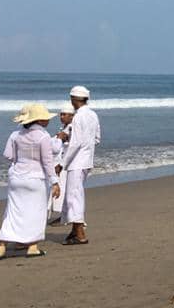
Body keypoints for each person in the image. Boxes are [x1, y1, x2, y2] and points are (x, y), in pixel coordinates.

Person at [0, 104, 60, 260]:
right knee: (35, 212)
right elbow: (47, 162)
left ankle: (2, 247)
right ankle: (32, 246)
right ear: (38, 120)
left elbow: (9, 156)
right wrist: (55, 182)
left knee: (13, 212)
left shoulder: (15, 135)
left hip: (16, 177)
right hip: (35, 178)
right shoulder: (43, 136)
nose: (47, 120)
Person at [60, 85, 100, 245]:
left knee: (73, 197)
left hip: (77, 161)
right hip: (87, 160)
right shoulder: (93, 115)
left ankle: (80, 234)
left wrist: (62, 163)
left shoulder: (78, 117)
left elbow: (75, 143)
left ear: (74, 99)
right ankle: (74, 230)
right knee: (76, 194)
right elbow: (97, 138)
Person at [47, 104, 74, 224]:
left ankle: (66, 216)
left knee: (63, 189)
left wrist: (61, 164)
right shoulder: (65, 127)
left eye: (64, 115)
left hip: (66, 163)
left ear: (72, 116)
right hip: (61, 162)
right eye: (61, 114)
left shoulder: (72, 128)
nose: (61, 117)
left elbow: (72, 147)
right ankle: (63, 215)